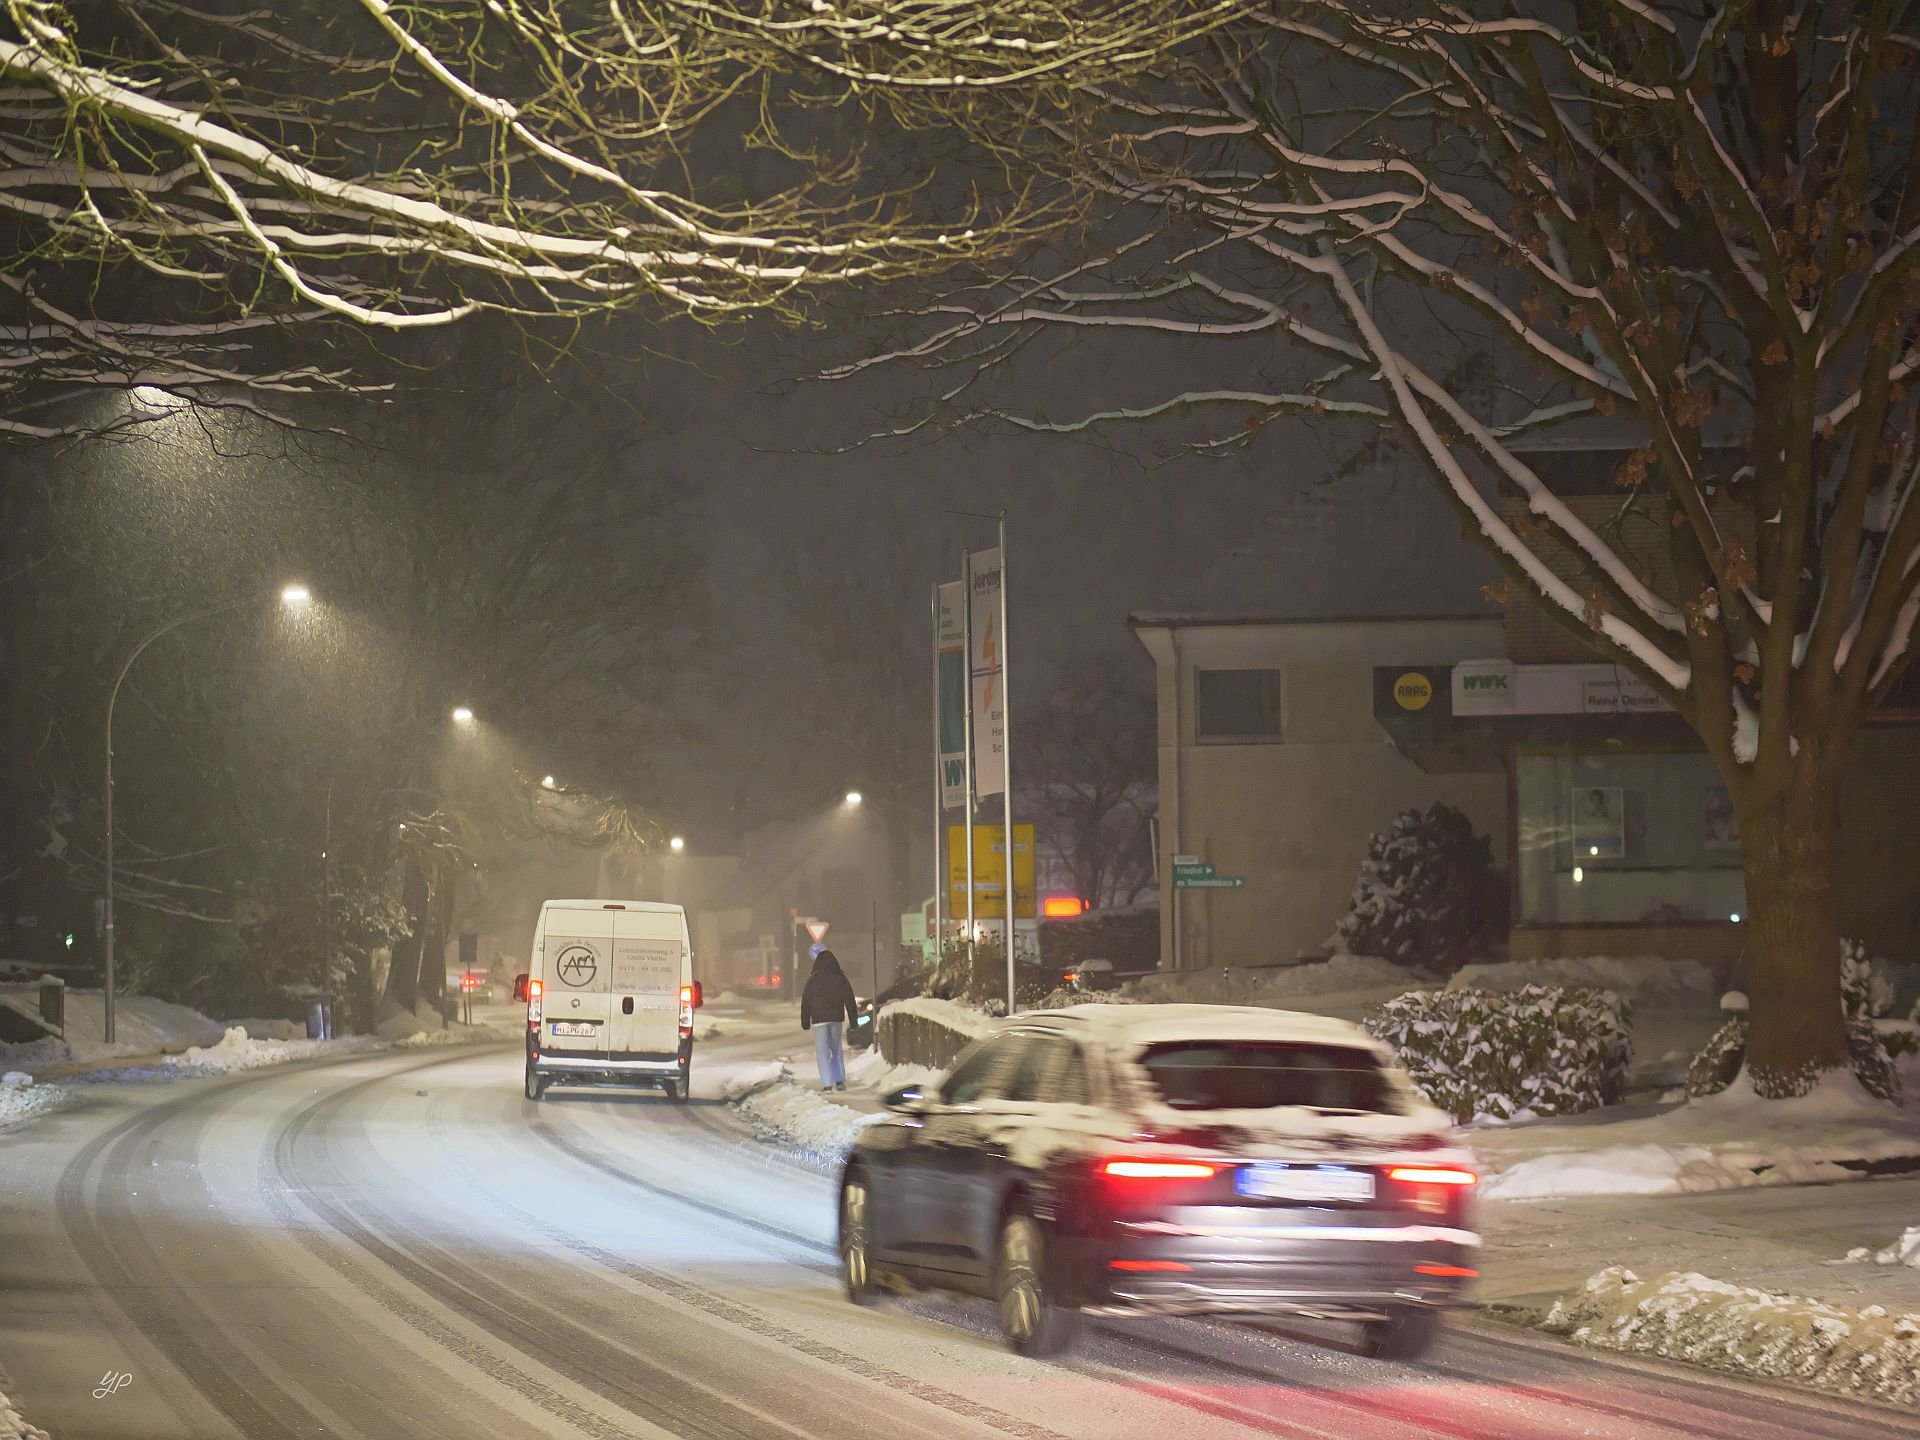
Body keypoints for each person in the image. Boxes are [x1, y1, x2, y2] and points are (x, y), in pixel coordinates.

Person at [800, 947, 858, 1091]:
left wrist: (805, 1021)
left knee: (822, 1052)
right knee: (836, 1049)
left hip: (819, 1021)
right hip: (836, 1019)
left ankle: (826, 1084)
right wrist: (853, 1019)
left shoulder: (812, 980)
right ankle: (839, 1081)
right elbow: (850, 999)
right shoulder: (840, 978)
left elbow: (805, 1001)